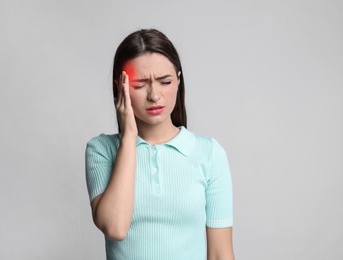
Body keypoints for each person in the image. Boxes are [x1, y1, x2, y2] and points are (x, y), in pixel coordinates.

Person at [85, 28, 235, 260]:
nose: (154, 95)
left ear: (178, 80)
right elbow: (115, 227)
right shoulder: (101, 150)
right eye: (139, 84)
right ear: (120, 87)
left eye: (165, 81)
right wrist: (128, 138)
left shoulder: (209, 154)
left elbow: (220, 254)